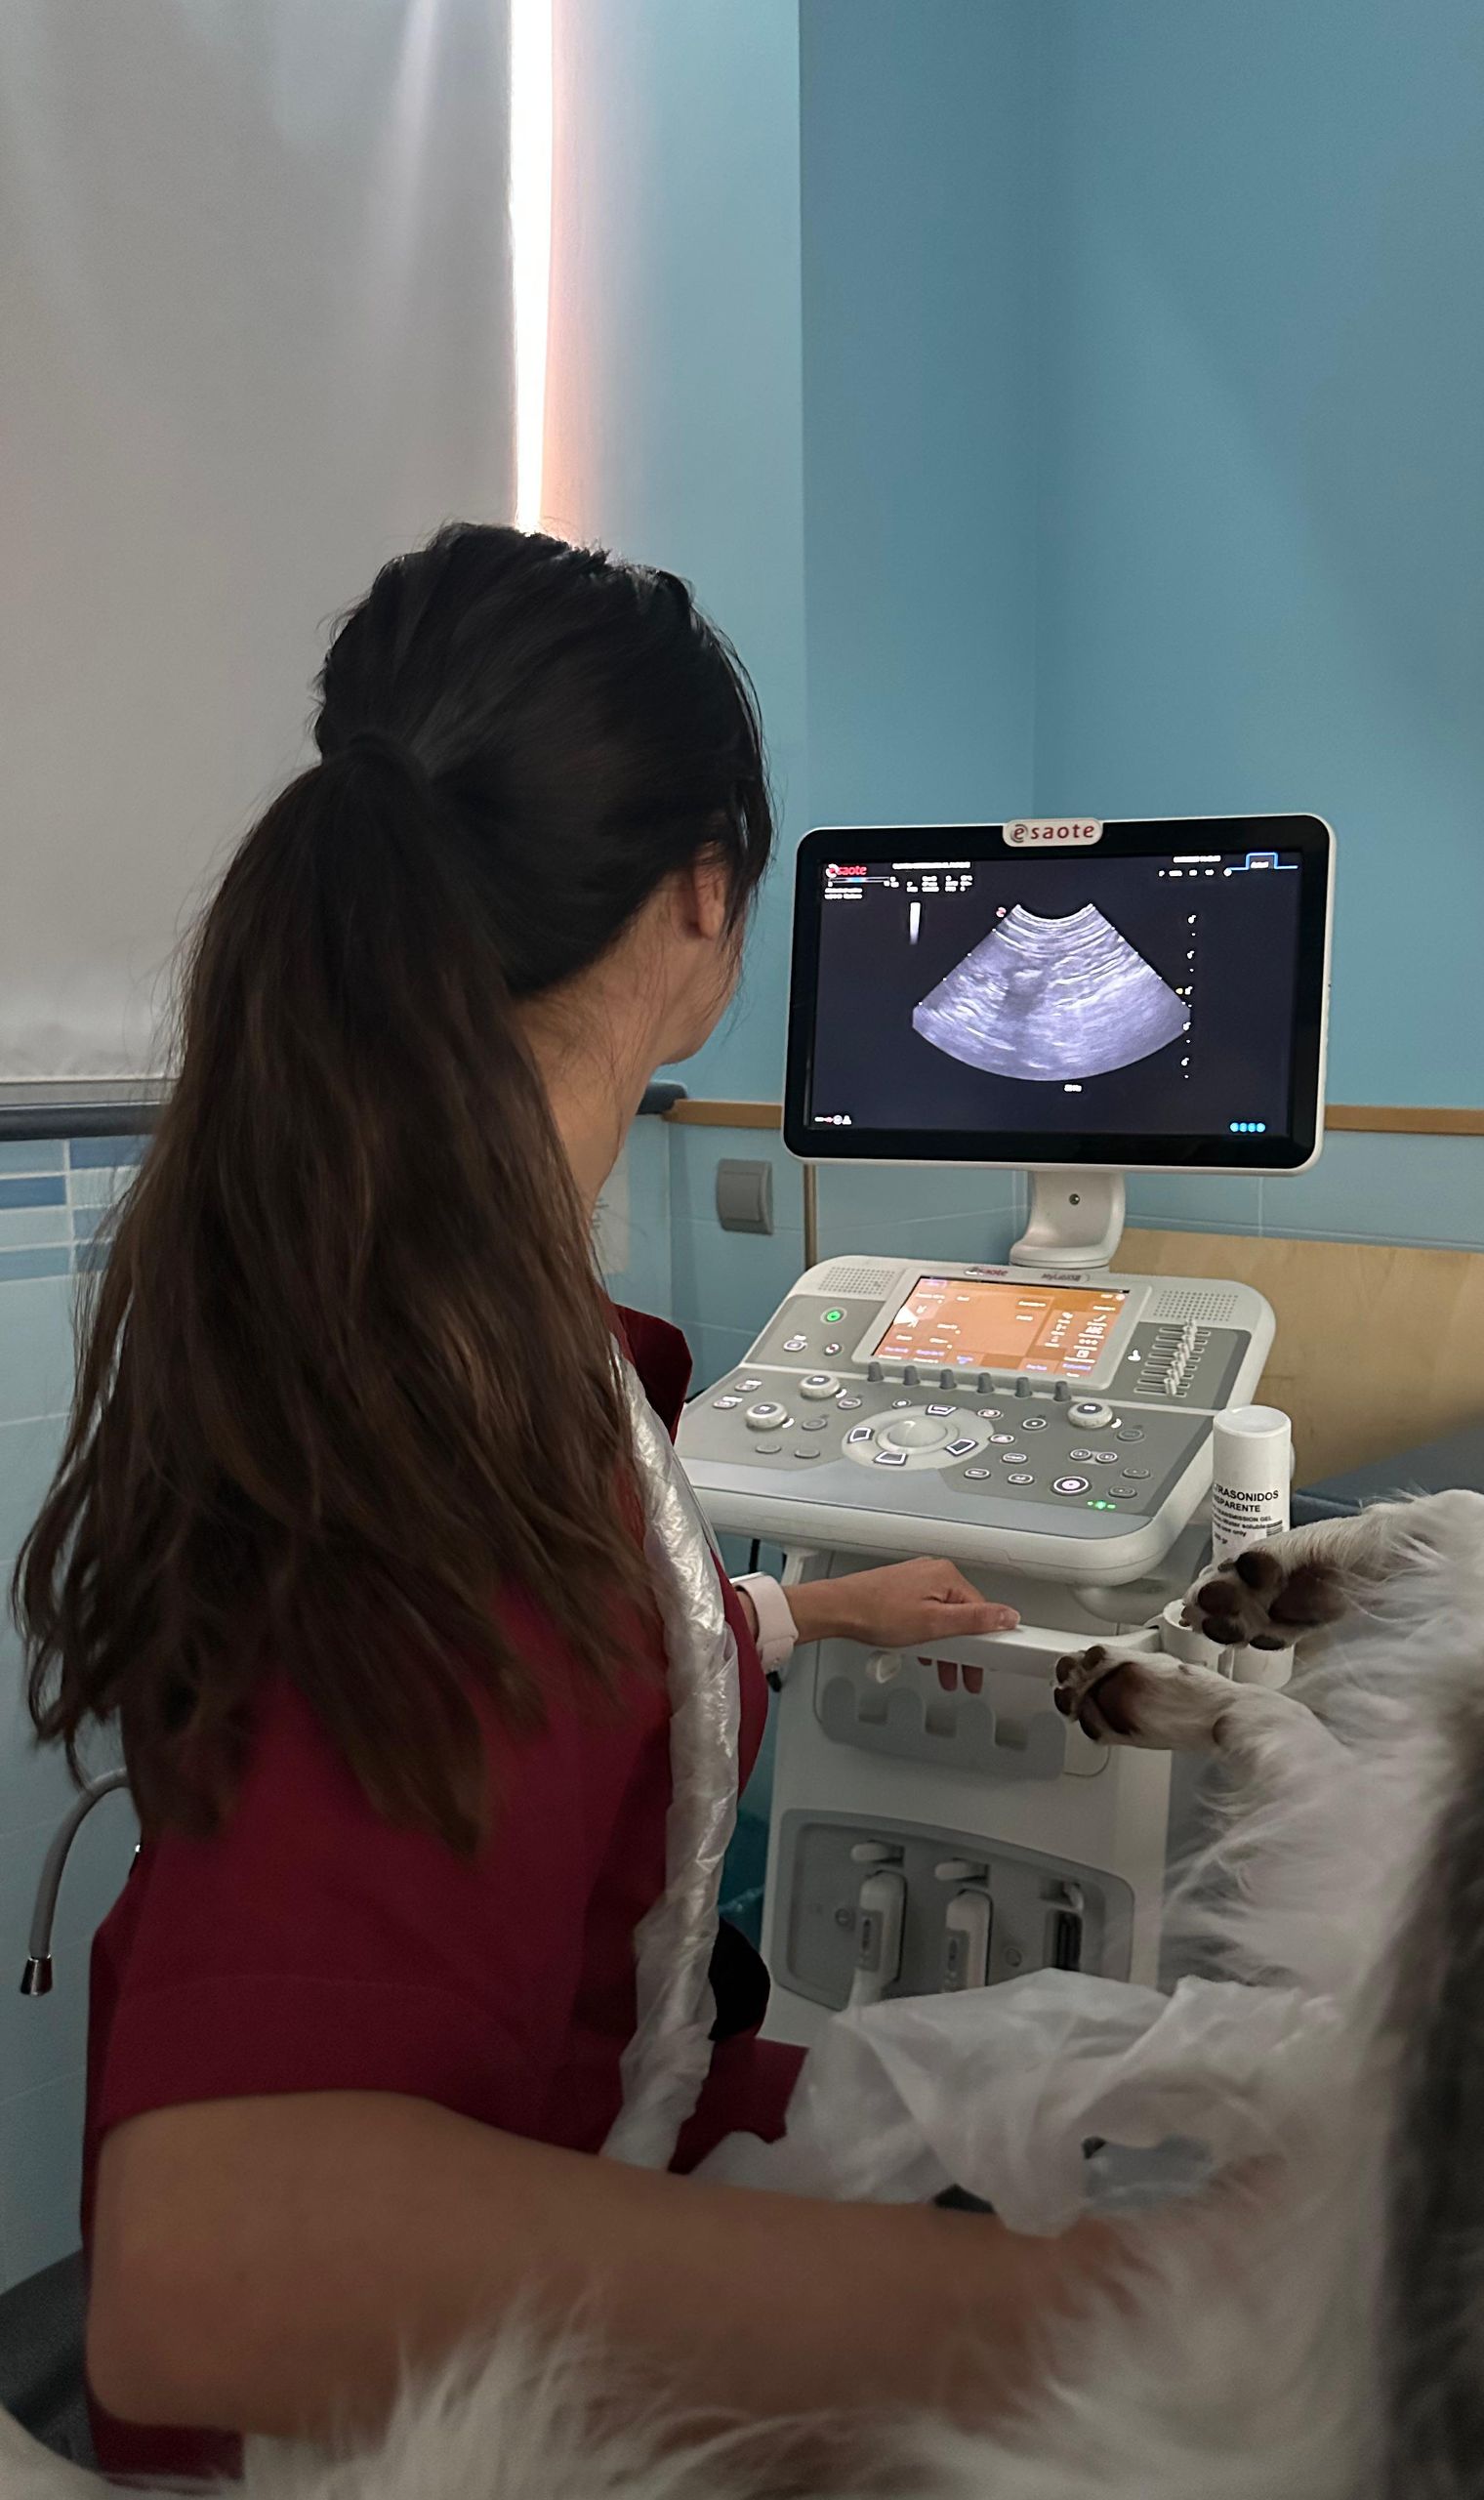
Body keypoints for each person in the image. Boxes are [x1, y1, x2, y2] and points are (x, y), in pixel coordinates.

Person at [14, 526, 1106, 2479]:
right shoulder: (437, 1431)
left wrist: (796, 1615)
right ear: (702, 894)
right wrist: (1100, 2315)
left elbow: (554, 1673)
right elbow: (208, 2267)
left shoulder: (446, 1318)